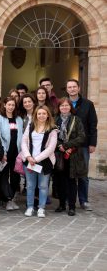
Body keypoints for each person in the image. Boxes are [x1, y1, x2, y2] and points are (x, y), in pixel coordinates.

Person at [21, 105, 58, 218]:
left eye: (44, 113)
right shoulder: (31, 126)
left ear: (48, 115)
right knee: (30, 186)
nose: (41, 116)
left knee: (43, 186)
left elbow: (50, 149)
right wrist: (28, 156)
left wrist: (36, 159)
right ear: (36, 115)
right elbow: (23, 141)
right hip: (29, 161)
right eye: (39, 113)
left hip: (44, 162)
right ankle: (30, 207)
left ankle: (41, 208)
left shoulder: (52, 129)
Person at [66, 79, 97, 211]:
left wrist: (92, 143)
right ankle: (69, 199)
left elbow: (92, 125)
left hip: (83, 145)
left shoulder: (88, 104)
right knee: (68, 173)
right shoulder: (64, 103)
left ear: (79, 88)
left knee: (83, 174)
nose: (72, 89)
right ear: (67, 89)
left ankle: (84, 200)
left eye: (74, 87)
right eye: (69, 87)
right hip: (68, 145)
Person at [55, 97, 87, 216]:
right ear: (59, 108)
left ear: (70, 107)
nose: (64, 107)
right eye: (62, 105)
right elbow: (51, 137)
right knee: (60, 181)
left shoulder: (76, 120)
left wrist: (67, 145)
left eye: (66, 105)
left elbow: (81, 137)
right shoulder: (55, 120)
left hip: (73, 155)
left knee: (72, 181)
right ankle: (62, 204)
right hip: (59, 155)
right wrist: (60, 146)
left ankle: (72, 206)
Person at [0, 97, 23, 211]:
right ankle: (7, 199)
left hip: (17, 153)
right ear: (5, 105)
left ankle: (11, 198)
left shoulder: (19, 119)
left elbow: (21, 135)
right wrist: (3, 152)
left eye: (13, 105)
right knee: (4, 176)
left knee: (16, 176)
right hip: (5, 153)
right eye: (9, 104)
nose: (11, 107)